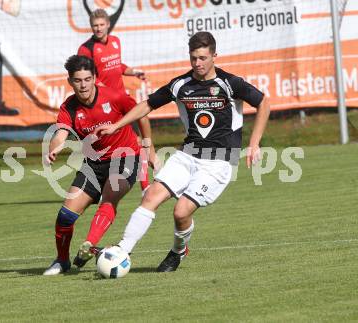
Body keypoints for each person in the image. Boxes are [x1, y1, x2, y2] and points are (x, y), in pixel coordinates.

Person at [95, 31, 270, 272]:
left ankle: (178, 250)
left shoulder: (229, 83)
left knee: (181, 212)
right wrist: (116, 125)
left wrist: (255, 143)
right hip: (187, 155)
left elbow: (263, 102)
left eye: (203, 58)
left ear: (214, 56)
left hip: (219, 162)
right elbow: (147, 105)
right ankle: (122, 250)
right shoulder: (181, 85)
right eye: (193, 58)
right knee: (150, 197)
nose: (197, 63)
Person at [43, 55, 157, 275]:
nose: (83, 85)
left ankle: (88, 244)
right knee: (65, 216)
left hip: (125, 157)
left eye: (87, 79)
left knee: (110, 195)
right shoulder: (69, 107)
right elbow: (61, 133)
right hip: (93, 164)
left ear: (94, 78)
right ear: (70, 82)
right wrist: (54, 147)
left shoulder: (114, 96)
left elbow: (142, 113)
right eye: (78, 80)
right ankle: (62, 261)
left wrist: (148, 146)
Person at [78, 8, 153, 192]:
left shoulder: (115, 41)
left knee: (142, 119)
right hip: (105, 105)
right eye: (95, 26)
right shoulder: (86, 49)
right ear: (91, 27)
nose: (98, 28)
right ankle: (103, 183)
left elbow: (117, 65)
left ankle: (145, 180)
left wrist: (133, 72)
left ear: (108, 25)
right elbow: (85, 75)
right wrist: (100, 88)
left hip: (121, 99)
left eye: (102, 25)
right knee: (112, 144)